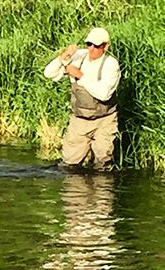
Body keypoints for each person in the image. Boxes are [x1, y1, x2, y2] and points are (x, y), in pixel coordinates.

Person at [44, 27, 121, 170]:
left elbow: (104, 94)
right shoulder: (79, 56)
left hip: (105, 120)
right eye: (89, 44)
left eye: (97, 46)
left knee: (103, 163)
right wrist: (63, 57)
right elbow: (49, 74)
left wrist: (80, 75)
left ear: (106, 46)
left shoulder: (111, 64)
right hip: (79, 120)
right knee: (69, 165)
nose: (91, 49)